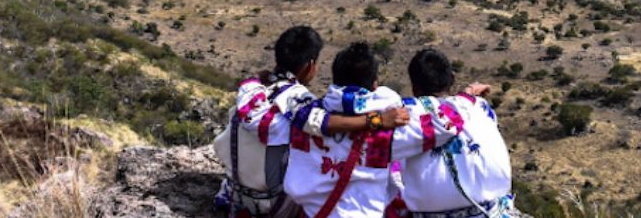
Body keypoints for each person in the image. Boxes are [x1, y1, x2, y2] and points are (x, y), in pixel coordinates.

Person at [213, 27, 409, 218]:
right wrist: (376, 120)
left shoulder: (252, 90)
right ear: (310, 65)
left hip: (234, 197)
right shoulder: (298, 99)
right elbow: (321, 123)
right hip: (273, 204)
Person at [284, 42, 467, 218]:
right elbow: (450, 123)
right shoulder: (388, 133)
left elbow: (294, 108)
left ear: (335, 79)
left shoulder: (305, 117)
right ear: (374, 85)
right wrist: (403, 104)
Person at [393, 48, 515, 218]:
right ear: (452, 78)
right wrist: (468, 94)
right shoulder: (479, 106)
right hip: (493, 212)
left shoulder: (405, 117)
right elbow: (450, 109)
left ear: (414, 88)